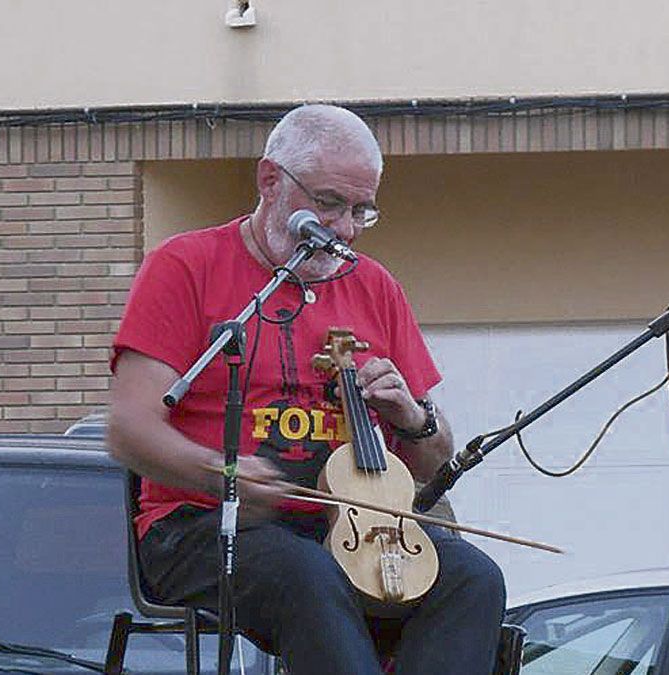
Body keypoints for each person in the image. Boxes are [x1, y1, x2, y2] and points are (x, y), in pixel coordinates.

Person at [107, 104, 506, 675]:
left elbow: (431, 460)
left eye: (361, 210)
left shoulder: (373, 286)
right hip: (204, 525)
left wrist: (411, 415)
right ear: (270, 180)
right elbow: (128, 431)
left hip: (353, 528)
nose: (343, 229)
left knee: (472, 578)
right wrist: (221, 472)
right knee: (306, 574)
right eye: (328, 204)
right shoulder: (185, 266)